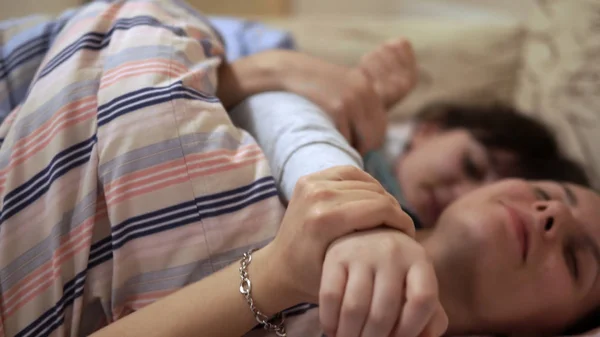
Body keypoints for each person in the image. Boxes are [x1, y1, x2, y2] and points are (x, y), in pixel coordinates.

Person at [0, 2, 598, 337]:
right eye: (550, 193)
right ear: (431, 128)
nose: (549, 217)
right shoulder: (335, 135)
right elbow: (270, 100)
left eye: (577, 258)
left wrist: (280, 272)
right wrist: (340, 177)